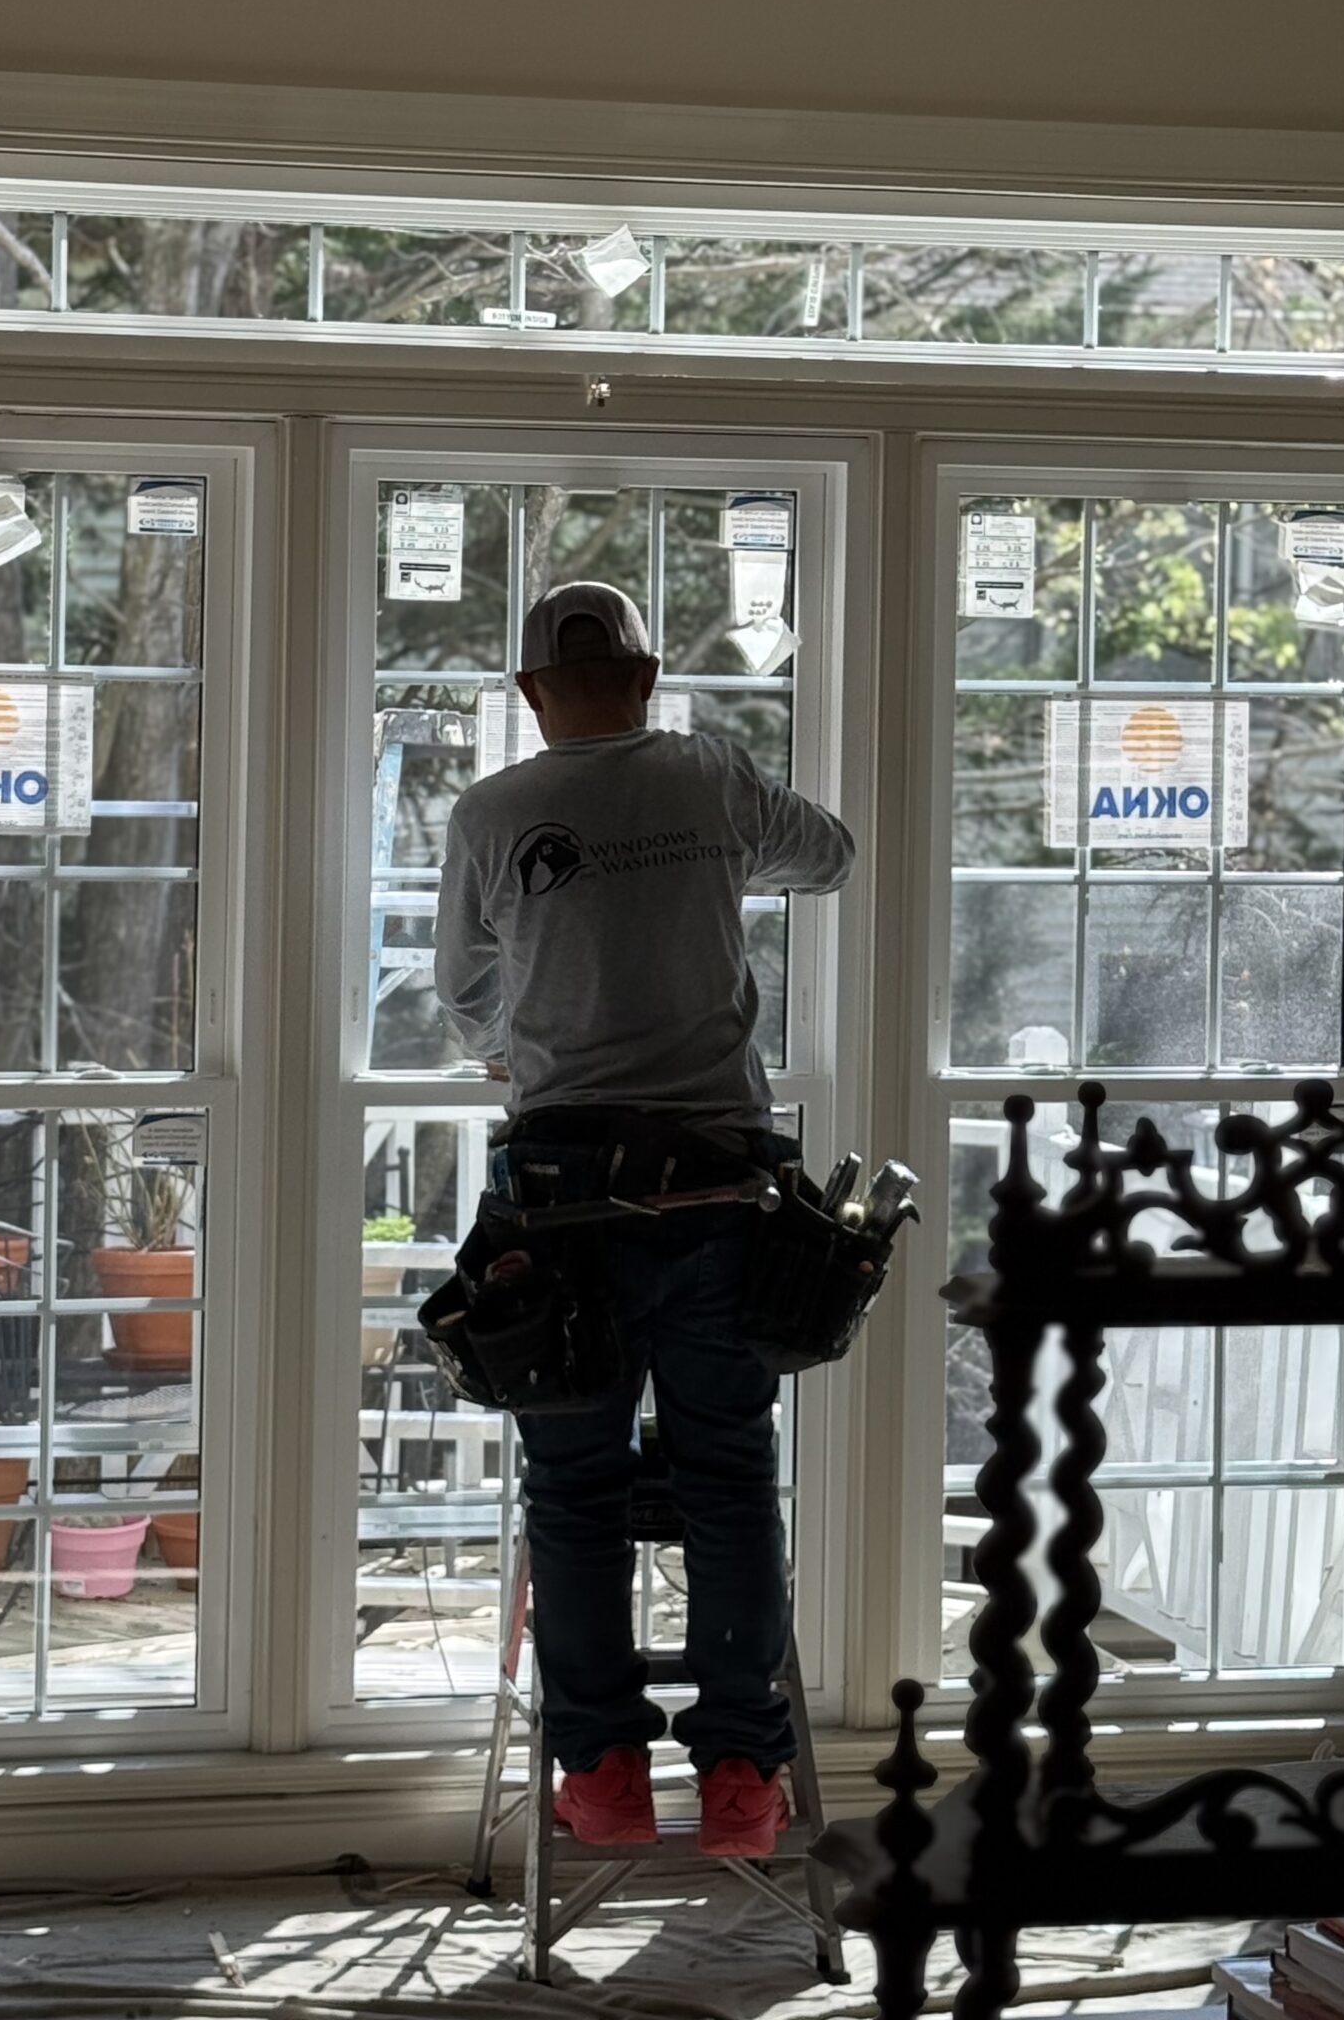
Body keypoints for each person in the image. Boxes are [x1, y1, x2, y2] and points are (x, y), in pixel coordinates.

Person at [434, 579, 855, 1858]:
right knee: (728, 1475)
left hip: (563, 1205)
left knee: (575, 1486)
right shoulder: (711, 774)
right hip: (720, 1187)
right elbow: (830, 857)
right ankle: (740, 1778)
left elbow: (464, 995)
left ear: (529, 692)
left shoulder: (492, 812)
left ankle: (605, 1773)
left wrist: (518, 1040)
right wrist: (709, 853)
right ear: (649, 674)